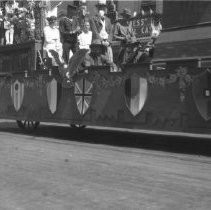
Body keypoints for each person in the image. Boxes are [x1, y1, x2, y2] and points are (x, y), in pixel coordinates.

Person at [90, 0, 117, 70]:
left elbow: (111, 32)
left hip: (107, 43)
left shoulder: (108, 19)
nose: (101, 10)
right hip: (98, 43)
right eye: (100, 8)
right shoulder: (93, 19)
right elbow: (95, 32)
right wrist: (102, 41)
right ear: (97, 9)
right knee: (99, 61)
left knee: (109, 60)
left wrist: (108, 41)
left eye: (102, 8)